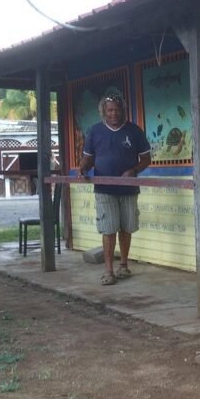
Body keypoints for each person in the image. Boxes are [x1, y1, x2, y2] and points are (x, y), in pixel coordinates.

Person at [78, 94, 151, 286]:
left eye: (117, 109)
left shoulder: (134, 131)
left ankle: (124, 266)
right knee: (109, 228)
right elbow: (88, 158)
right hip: (104, 189)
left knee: (126, 227)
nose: (114, 113)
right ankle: (109, 271)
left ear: (123, 110)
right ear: (103, 111)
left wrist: (134, 170)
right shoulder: (95, 131)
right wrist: (83, 167)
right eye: (110, 110)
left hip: (128, 188)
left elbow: (146, 158)